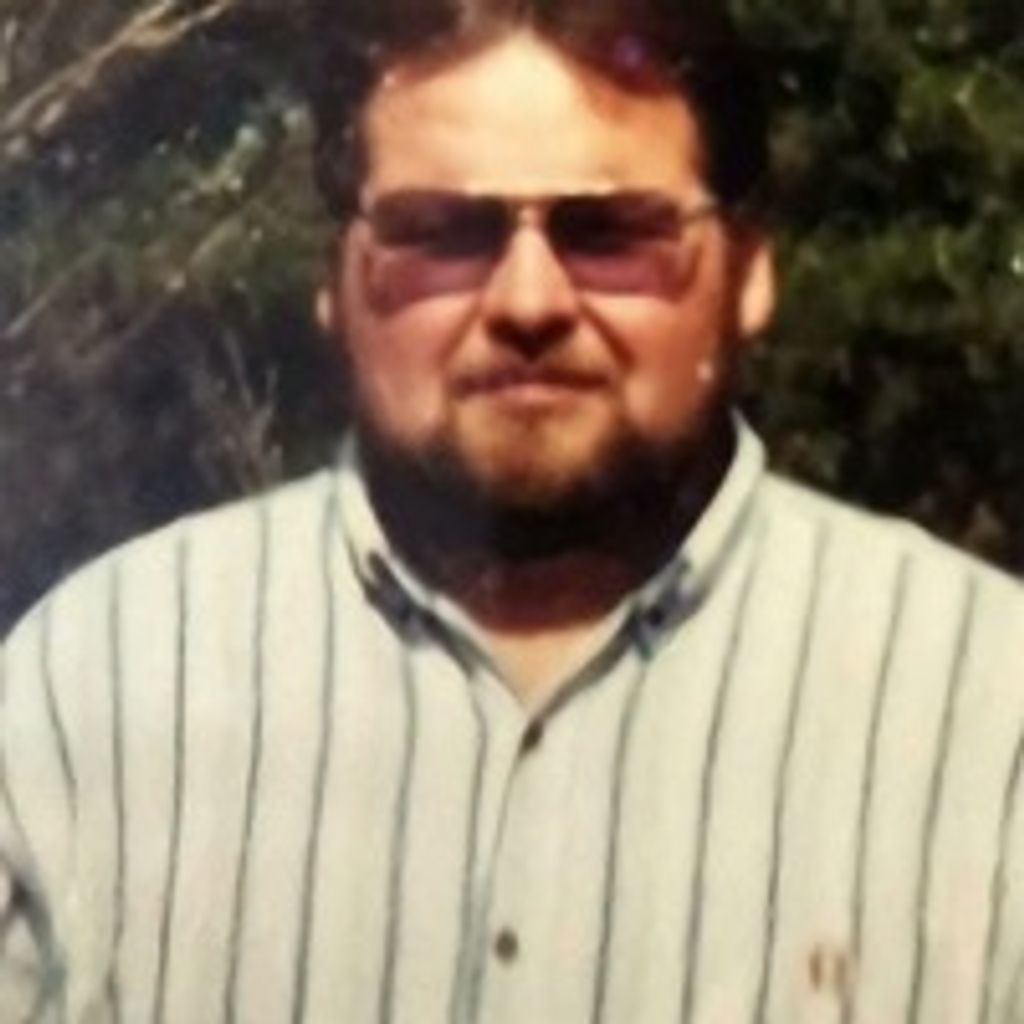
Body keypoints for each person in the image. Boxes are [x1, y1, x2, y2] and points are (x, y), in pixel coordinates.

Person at [2, 0, 1023, 1020]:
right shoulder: (95, 690)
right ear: (336, 280)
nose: (528, 303)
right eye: (446, 235)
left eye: (610, 235)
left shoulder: (983, 719)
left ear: (750, 273)